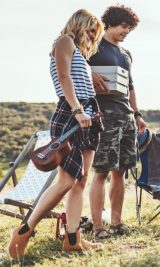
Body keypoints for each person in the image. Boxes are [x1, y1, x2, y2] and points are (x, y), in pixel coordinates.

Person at [7, 9, 104, 259]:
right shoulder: (64, 41)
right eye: (91, 29)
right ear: (79, 24)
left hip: (89, 114)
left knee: (80, 181)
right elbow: (63, 78)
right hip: (72, 113)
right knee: (66, 181)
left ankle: (73, 239)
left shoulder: (81, 53)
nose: (93, 36)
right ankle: (24, 230)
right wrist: (77, 109)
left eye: (96, 33)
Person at [88, 5, 146, 239]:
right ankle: (97, 227)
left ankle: (116, 223)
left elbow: (130, 86)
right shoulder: (93, 45)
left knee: (121, 171)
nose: (126, 32)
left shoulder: (126, 54)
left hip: (125, 117)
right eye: (123, 27)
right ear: (110, 23)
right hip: (103, 116)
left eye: (129, 29)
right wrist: (91, 75)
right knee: (102, 171)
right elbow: (73, 68)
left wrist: (137, 114)